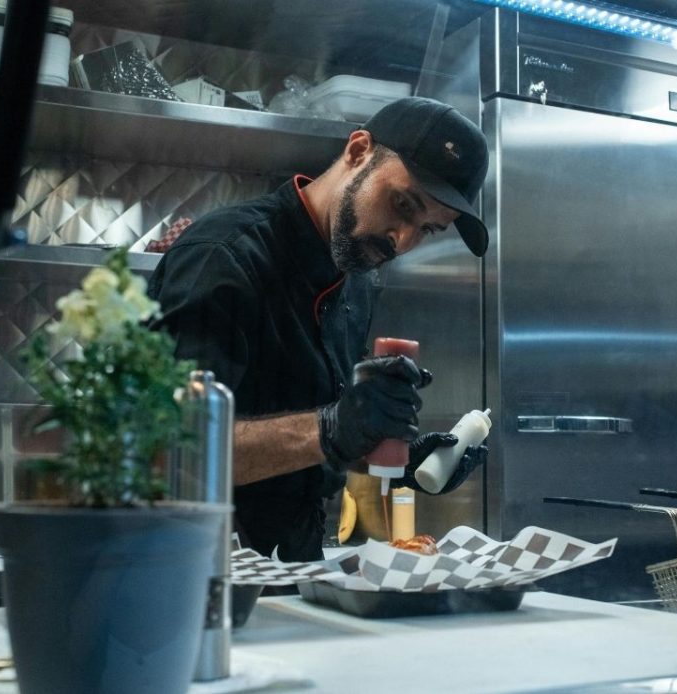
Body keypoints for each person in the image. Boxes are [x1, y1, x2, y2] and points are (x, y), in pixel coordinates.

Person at [148, 97, 490, 561]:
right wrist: (330, 429)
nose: (402, 240)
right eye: (402, 204)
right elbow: (166, 452)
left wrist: (388, 455)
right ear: (358, 151)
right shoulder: (223, 257)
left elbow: (308, 445)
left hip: (295, 569)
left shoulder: (357, 281)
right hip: (200, 570)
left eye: (428, 230)